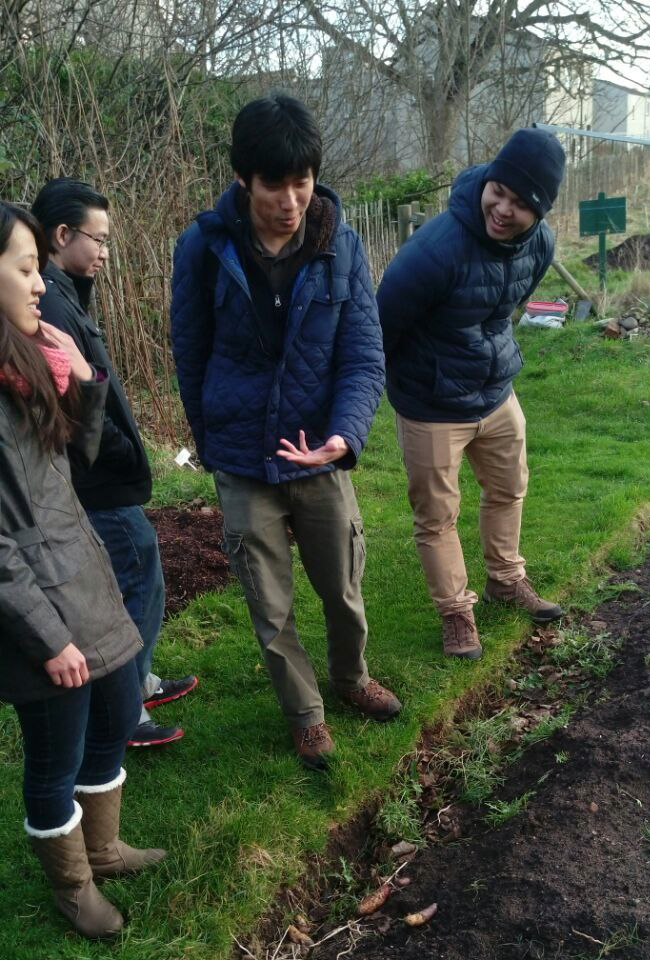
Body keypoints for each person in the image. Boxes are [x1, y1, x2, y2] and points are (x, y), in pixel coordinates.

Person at [171, 95, 401, 770]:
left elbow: (364, 354)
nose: (292, 200)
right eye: (276, 184)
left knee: (344, 588)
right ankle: (305, 714)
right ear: (244, 178)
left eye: (302, 181)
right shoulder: (204, 248)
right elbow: (191, 351)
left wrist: (344, 437)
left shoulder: (341, 247)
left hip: (321, 454)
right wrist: (211, 442)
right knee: (269, 606)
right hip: (243, 458)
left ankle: (352, 678)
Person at [0, 202, 166, 939]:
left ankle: (102, 845)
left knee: (118, 704)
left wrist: (75, 379)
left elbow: (76, 462)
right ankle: (72, 889)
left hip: (82, 570)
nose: (39, 285)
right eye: (25, 269)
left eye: (39, 268)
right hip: (35, 606)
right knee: (54, 750)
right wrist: (47, 638)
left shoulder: (23, 360)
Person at [377, 128, 567, 660]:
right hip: (432, 406)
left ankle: (507, 579)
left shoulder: (542, 244)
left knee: (509, 488)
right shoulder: (433, 251)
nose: (503, 209)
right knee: (437, 516)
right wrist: (416, 381)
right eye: (498, 191)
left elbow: (504, 308)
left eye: (521, 203)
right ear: (487, 179)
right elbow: (381, 328)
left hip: (495, 393)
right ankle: (457, 612)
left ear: (541, 211)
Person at [30, 179, 198, 748]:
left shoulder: (65, 291)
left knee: (138, 571)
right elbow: (73, 409)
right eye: (96, 239)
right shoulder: (50, 302)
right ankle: (125, 709)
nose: (104, 251)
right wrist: (124, 452)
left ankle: (137, 682)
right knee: (135, 576)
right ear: (61, 234)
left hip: (104, 476)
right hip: (96, 483)